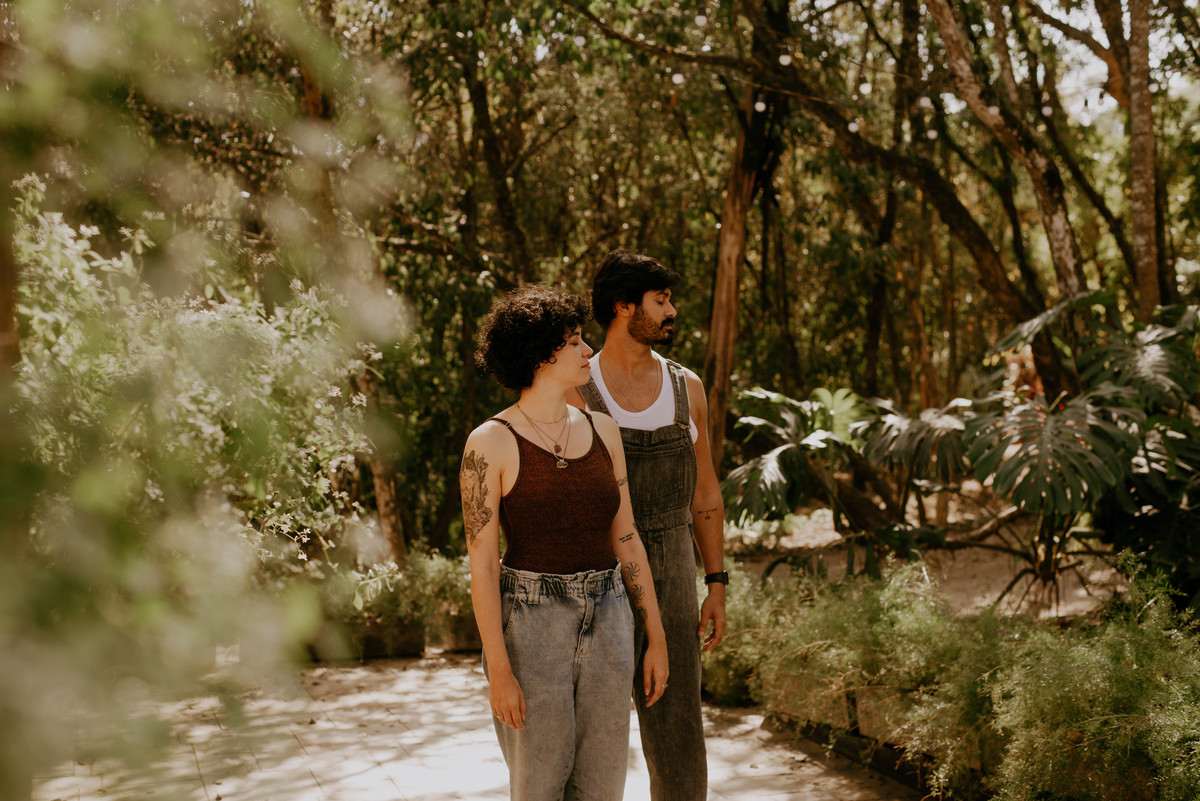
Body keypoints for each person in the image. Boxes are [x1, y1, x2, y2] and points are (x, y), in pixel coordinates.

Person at [461, 283, 670, 801]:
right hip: (531, 628)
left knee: (602, 790)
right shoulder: (489, 442)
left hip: (610, 618)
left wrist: (656, 635)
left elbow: (626, 537)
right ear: (539, 356)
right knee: (538, 788)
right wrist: (499, 671)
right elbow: (483, 566)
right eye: (575, 342)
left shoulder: (604, 430)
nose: (588, 351)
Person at [570, 249, 727, 801]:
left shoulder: (688, 388)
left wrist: (716, 582)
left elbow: (705, 493)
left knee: (678, 728)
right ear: (623, 307)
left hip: (675, 571)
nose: (672, 311)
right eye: (661, 301)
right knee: (594, 730)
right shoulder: (576, 387)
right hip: (597, 575)